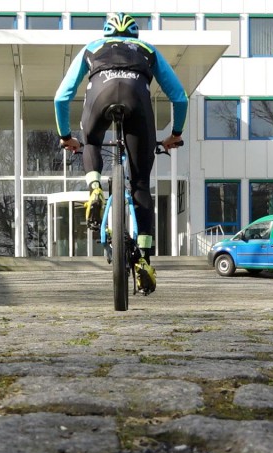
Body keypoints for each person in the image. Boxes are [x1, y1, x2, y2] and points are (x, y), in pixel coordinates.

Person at [54, 12, 187, 295]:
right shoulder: (148, 50)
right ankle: (145, 259)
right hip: (137, 102)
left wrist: (67, 137)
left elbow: (61, 97)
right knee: (139, 184)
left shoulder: (92, 48)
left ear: (106, 34)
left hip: (98, 98)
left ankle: (94, 188)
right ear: (135, 35)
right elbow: (180, 96)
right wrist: (175, 134)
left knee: (90, 142)